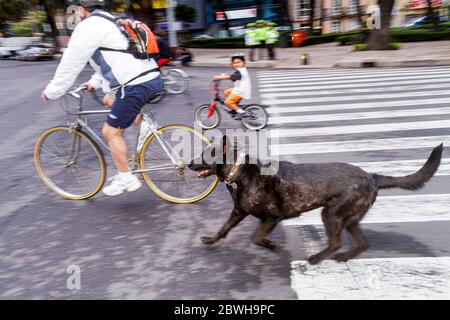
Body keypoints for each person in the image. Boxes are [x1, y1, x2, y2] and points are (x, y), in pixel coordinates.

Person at [41, 0, 163, 197]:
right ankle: (143, 127)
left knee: (110, 132)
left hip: (134, 85)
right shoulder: (111, 21)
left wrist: (52, 91)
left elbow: (71, 63)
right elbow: (112, 58)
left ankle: (125, 177)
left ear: (81, 9)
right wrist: (93, 82)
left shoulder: (88, 27)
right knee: (109, 99)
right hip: (150, 78)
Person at [212, 53, 252, 121]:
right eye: (234, 63)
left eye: (238, 62)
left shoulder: (241, 71)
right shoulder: (240, 71)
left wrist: (220, 77)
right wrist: (225, 76)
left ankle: (241, 112)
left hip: (241, 91)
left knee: (227, 102)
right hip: (240, 88)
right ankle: (234, 107)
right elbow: (234, 78)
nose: (236, 64)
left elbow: (231, 77)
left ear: (243, 63)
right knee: (227, 92)